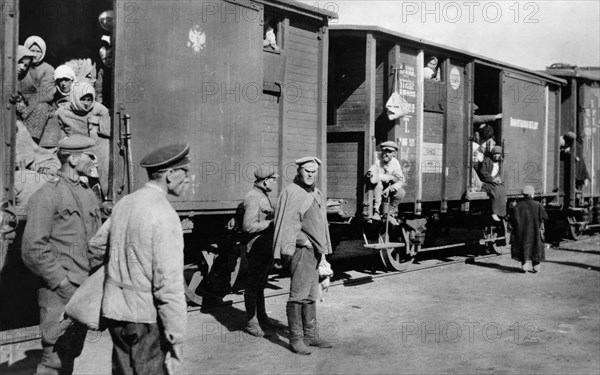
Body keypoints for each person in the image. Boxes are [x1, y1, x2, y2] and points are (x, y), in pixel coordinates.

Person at [89, 143, 190, 374]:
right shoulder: (165, 214)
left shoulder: (125, 203)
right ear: (170, 174)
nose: (188, 178)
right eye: (185, 172)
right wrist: (176, 335)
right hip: (145, 316)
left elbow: (95, 247)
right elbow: (169, 283)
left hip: (115, 311)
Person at [21, 135, 102, 375]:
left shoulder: (88, 193)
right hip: (59, 292)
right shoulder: (47, 194)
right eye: (91, 156)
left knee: (71, 353)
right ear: (74, 159)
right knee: (53, 359)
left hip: (83, 290)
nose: (95, 161)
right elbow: (33, 248)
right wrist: (61, 282)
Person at [273, 156, 333, 355]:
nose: (310, 174)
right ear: (299, 170)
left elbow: (320, 223)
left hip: (315, 250)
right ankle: (295, 339)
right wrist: (304, 241)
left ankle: (311, 335)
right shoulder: (291, 192)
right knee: (297, 296)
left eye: (313, 171)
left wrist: (320, 247)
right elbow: (285, 224)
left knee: (310, 295)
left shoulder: (316, 193)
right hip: (302, 251)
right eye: (307, 170)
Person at [242, 167, 279, 337]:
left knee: (261, 283)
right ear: (265, 181)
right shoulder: (253, 197)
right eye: (272, 179)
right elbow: (248, 226)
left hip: (264, 247)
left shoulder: (262, 195)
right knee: (253, 285)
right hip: (256, 248)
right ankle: (251, 322)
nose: (274, 182)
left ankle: (262, 316)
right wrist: (271, 224)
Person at [56, 82, 110, 193]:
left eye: (89, 99)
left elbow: (110, 128)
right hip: (72, 147)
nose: (86, 103)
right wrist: (65, 140)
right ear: (75, 97)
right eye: (83, 99)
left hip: (94, 147)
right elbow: (58, 131)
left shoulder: (99, 109)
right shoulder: (63, 112)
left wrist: (98, 122)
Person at [18, 36, 56, 142]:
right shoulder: (21, 66)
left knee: (41, 108)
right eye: (31, 50)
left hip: (38, 104)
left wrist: (27, 108)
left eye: (38, 51)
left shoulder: (48, 69)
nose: (34, 54)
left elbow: (45, 94)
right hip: (20, 102)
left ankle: (30, 142)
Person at [365, 141, 406, 225]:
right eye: (385, 151)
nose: (386, 154)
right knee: (378, 183)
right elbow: (375, 177)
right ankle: (376, 211)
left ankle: (389, 213)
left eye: (390, 152)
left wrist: (391, 188)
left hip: (387, 188)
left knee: (401, 192)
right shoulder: (375, 158)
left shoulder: (395, 162)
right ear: (381, 151)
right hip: (373, 188)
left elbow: (401, 179)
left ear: (394, 154)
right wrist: (390, 177)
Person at [510, 185, 548, 273]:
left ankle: (525, 266)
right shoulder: (538, 205)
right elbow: (545, 217)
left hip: (522, 233)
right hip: (535, 232)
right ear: (531, 194)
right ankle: (536, 267)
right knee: (536, 247)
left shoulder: (517, 206)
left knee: (524, 247)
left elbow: (512, 222)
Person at [38, 64, 76, 147]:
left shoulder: (79, 95)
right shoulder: (53, 98)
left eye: (66, 80)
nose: (63, 84)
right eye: (60, 80)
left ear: (72, 80)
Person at [477, 145, 507, 221]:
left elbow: (500, 174)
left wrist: (499, 179)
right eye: (495, 154)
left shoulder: (500, 163)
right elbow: (483, 173)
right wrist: (492, 179)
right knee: (496, 191)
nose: (497, 156)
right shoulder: (487, 160)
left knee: (503, 189)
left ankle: (502, 213)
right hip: (486, 181)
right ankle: (494, 212)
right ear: (492, 154)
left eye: (498, 154)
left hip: (494, 182)